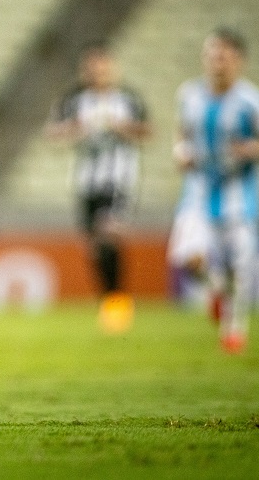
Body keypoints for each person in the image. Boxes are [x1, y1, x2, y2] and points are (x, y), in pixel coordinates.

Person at [167, 28, 259, 354]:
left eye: (224, 55)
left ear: (238, 61)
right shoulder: (189, 95)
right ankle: (215, 291)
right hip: (198, 190)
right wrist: (181, 152)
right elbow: (181, 133)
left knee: (240, 266)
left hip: (238, 194)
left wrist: (251, 150)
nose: (217, 62)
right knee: (188, 258)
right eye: (212, 54)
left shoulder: (251, 100)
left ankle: (234, 329)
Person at [46, 44, 151, 333]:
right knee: (96, 248)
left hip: (119, 180)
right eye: (91, 67)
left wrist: (122, 128)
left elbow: (147, 131)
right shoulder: (76, 99)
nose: (97, 72)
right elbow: (53, 132)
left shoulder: (127, 99)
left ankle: (117, 304)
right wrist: (75, 129)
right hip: (86, 183)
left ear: (112, 68)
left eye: (102, 66)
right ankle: (110, 301)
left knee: (109, 233)